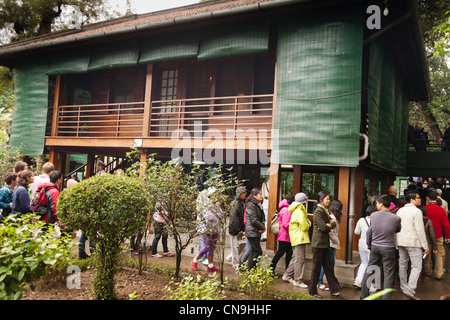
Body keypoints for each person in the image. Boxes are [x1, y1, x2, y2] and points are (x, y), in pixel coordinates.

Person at [360, 194, 402, 300]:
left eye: (377, 203)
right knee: (388, 274)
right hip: (389, 248)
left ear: (381, 204)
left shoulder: (373, 216)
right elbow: (398, 230)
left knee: (370, 270)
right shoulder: (396, 218)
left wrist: (369, 245)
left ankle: (363, 296)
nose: (376, 205)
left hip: (375, 246)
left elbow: (370, 231)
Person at [308, 191, 344, 299]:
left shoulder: (325, 210)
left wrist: (330, 224)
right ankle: (312, 290)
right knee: (316, 268)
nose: (328, 201)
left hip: (324, 243)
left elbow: (331, 223)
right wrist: (329, 224)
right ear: (321, 200)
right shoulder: (319, 211)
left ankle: (335, 290)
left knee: (329, 267)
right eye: (327, 199)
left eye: (329, 199)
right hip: (318, 243)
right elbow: (324, 227)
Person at [396, 191, 429, 300]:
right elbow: (420, 230)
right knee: (416, 266)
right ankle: (410, 290)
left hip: (401, 241)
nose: (420, 200)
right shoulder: (417, 211)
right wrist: (425, 246)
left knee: (403, 264)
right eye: (418, 198)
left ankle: (403, 286)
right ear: (412, 199)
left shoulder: (400, 211)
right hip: (413, 242)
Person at [282, 193, 310, 288]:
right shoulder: (300, 211)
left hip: (296, 237)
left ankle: (287, 275)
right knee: (300, 259)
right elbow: (305, 226)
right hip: (300, 237)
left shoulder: (295, 209)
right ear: (304, 201)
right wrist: (309, 223)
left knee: (295, 258)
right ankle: (298, 280)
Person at [191, 187, 221, 272]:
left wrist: (216, 216)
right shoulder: (204, 204)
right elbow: (208, 217)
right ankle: (194, 261)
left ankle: (210, 266)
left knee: (212, 247)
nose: (216, 196)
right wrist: (216, 216)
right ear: (210, 195)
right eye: (214, 194)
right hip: (205, 229)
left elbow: (221, 214)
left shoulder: (216, 204)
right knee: (207, 247)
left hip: (214, 228)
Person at [317, 199, 342, 291]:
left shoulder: (331, 216)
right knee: (328, 265)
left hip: (331, 244)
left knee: (329, 265)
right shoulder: (333, 218)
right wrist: (336, 241)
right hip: (331, 244)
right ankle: (319, 282)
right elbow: (331, 232)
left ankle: (332, 284)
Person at [425, 190, 450, 280]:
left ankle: (428, 272)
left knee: (428, 254)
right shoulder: (442, 210)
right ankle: (438, 274)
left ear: (428, 198)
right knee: (439, 255)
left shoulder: (425, 208)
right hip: (439, 235)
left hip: (427, 236)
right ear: (436, 199)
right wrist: (448, 236)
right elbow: (447, 225)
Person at [270, 193, 295, 275]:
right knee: (281, 254)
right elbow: (285, 224)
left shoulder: (284, 208)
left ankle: (285, 273)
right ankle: (271, 270)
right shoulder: (287, 210)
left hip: (285, 236)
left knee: (287, 254)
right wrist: (294, 226)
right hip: (285, 236)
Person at [354, 204, 376, 289]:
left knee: (364, 263)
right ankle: (370, 286)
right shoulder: (376, 221)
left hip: (362, 244)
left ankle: (358, 281)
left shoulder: (361, 220)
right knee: (371, 265)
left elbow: (356, 232)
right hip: (371, 245)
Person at [243, 187, 265, 270]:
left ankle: (251, 269)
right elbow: (253, 220)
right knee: (257, 251)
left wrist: (262, 224)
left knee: (254, 251)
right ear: (254, 195)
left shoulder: (257, 204)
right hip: (251, 231)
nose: (261, 196)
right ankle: (250, 269)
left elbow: (262, 216)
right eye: (260, 194)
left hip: (255, 230)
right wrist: (262, 227)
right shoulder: (250, 205)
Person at [228, 186, 247, 270]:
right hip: (235, 230)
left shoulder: (242, 202)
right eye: (243, 193)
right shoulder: (235, 204)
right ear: (239, 194)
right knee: (235, 247)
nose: (245, 194)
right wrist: (238, 230)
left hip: (241, 229)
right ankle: (235, 264)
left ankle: (230, 258)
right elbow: (234, 218)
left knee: (242, 244)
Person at [419, 206, 437, 282]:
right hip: (427, 244)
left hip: (418, 244)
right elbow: (432, 235)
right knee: (426, 260)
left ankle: (418, 276)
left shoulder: (417, 221)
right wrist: (435, 246)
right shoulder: (429, 221)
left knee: (417, 261)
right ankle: (425, 276)